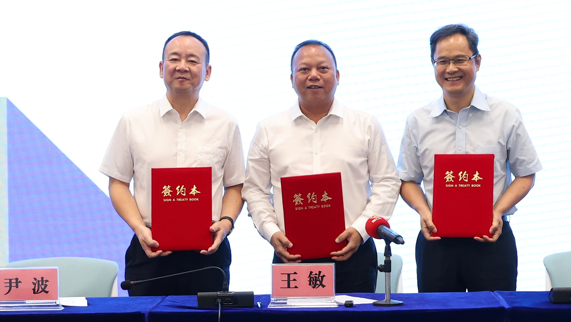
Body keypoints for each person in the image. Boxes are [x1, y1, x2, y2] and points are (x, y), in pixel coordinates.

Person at [243, 40, 400, 293]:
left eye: (323, 68)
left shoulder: (365, 124)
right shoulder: (269, 129)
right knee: (293, 320)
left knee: (354, 319)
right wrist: (271, 232)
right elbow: (254, 190)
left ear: (337, 76)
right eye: (304, 69)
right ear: (291, 78)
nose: (313, 75)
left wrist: (360, 230)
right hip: (291, 255)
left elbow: (387, 181)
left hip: (354, 254)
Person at [397, 24, 541, 292]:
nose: (451, 68)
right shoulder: (418, 120)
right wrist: (424, 212)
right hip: (436, 243)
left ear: (477, 61)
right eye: (442, 61)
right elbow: (407, 180)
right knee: (438, 317)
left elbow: (526, 173)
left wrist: (497, 212)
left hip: (492, 239)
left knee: (494, 317)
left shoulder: (505, 114)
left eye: (460, 59)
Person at [100, 31, 244, 296]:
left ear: (207, 71)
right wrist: (139, 229)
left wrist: (226, 223)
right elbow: (118, 183)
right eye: (174, 59)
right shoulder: (133, 121)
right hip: (150, 247)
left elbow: (235, 185)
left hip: (207, 252)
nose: (182, 66)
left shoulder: (226, 123)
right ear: (161, 68)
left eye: (192, 60)